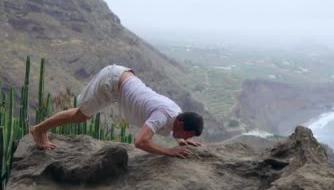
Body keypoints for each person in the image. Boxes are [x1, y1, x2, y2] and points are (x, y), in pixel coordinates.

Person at [30, 64, 204, 158]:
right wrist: (169, 151)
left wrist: (181, 140)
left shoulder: (178, 114)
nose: (187, 138)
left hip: (124, 79)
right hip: (112, 81)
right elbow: (140, 142)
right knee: (80, 116)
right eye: (188, 134)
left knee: (81, 113)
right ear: (181, 123)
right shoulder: (162, 115)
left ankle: (41, 129)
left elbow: (175, 129)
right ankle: (38, 130)